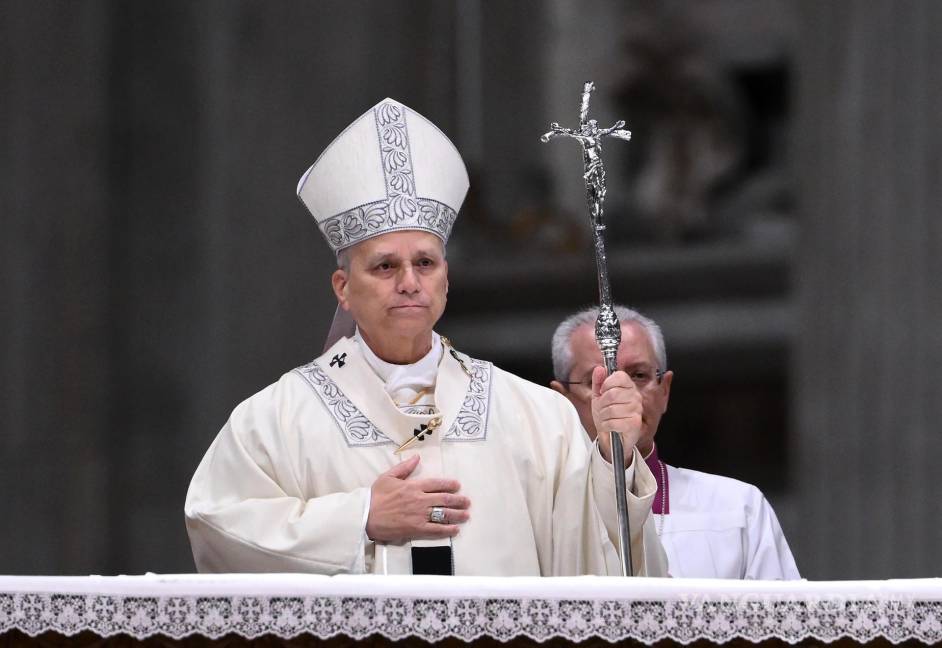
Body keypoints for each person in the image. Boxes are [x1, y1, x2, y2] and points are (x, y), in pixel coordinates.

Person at [184, 98, 668, 577]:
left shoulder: (537, 417)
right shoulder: (277, 419)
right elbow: (215, 522)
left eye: (425, 263)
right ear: (343, 288)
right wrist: (359, 519)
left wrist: (614, 458)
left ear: (446, 279)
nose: (409, 282)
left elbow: (598, 555)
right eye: (385, 266)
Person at [550, 305, 800, 579]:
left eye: (638, 375)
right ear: (562, 399)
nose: (621, 393)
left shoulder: (738, 509)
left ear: (664, 390)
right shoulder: (544, 513)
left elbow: (781, 620)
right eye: (597, 380)